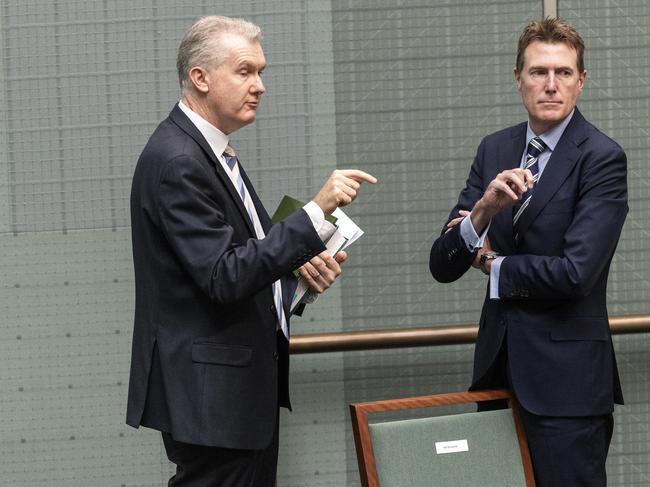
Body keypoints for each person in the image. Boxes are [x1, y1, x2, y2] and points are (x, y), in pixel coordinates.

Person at [126, 15, 376, 487]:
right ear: (200, 77)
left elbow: (243, 258)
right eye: (245, 71)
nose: (259, 85)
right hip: (213, 399)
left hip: (232, 395)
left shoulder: (209, 151)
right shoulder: (179, 160)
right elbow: (223, 276)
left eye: (261, 72)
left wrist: (296, 278)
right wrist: (315, 213)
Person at [429, 18, 627, 487]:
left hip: (568, 390)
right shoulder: (495, 147)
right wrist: (483, 210)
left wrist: (494, 265)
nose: (551, 85)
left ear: (582, 81)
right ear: (518, 77)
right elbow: (442, 264)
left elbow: (576, 273)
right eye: (539, 72)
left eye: (563, 73)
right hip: (498, 373)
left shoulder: (601, 157)